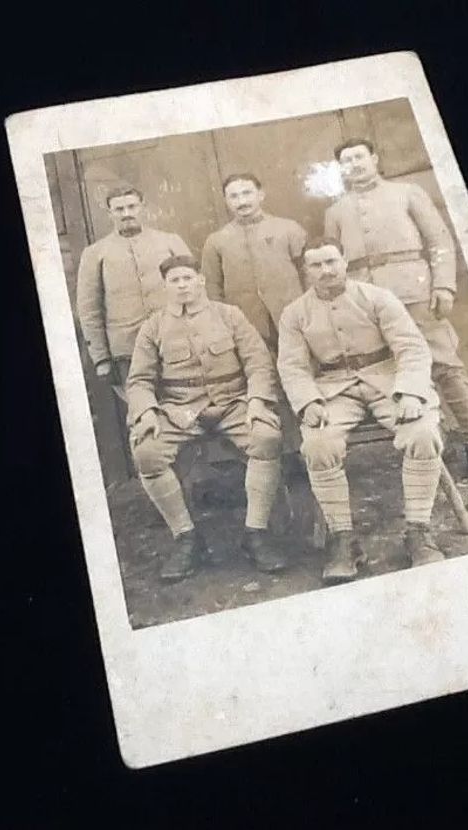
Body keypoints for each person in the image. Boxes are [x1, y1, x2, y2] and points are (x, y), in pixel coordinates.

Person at [325, 139, 468, 489]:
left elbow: (439, 240)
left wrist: (443, 286)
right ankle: (422, 451)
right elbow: (335, 262)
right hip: (368, 303)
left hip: (414, 293)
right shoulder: (335, 211)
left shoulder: (407, 192)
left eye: (360, 157)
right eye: (346, 161)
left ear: (375, 159)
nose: (355, 165)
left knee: (447, 367)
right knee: (390, 372)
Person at [277, 238, 446, 586]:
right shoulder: (295, 313)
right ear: (305, 271)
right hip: (334, 388)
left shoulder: (377, 297)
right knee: (318, 445)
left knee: (423, 433)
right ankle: (343, 540)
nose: (325, 271)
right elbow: (292, 366)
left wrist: (412, 391)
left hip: (389, 380)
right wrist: (307, 402)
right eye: (316, 265)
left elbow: (411, 348)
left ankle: (418, 531)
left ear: (345, 261)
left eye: (331, 262)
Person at [126, 254, 287, 582]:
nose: (183, 285)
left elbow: (258, 363)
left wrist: (257, 402)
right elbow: (139, 380)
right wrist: (145, 411)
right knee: (147, 452)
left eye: (188, 278)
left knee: (267, 438)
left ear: (200, 280)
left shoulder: (230, 316)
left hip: (233, 403)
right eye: (175, 281)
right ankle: (186, 538)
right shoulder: (153, 326)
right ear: (165, 286)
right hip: (181, 409)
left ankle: (255, 533)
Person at [76, 185, 192, 392]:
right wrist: (101, 358)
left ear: (142, 207)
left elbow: (195, 291)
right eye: (119, 209)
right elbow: (89, 310)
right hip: (127, 352)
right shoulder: (95, 254)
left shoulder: (170, 241)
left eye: (132, 207)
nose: (127, 214)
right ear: (109, 213)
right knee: (143, 411)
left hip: (177, 340)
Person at [201, 173, 307, 351]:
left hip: (293, 318)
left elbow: (308, 274)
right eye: (233, 196)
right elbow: (212, 288)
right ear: (226, 201)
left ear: (261, 194)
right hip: (247, 324)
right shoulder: (216, 241)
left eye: (247, 193)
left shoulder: (289, 229)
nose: (241, 201)